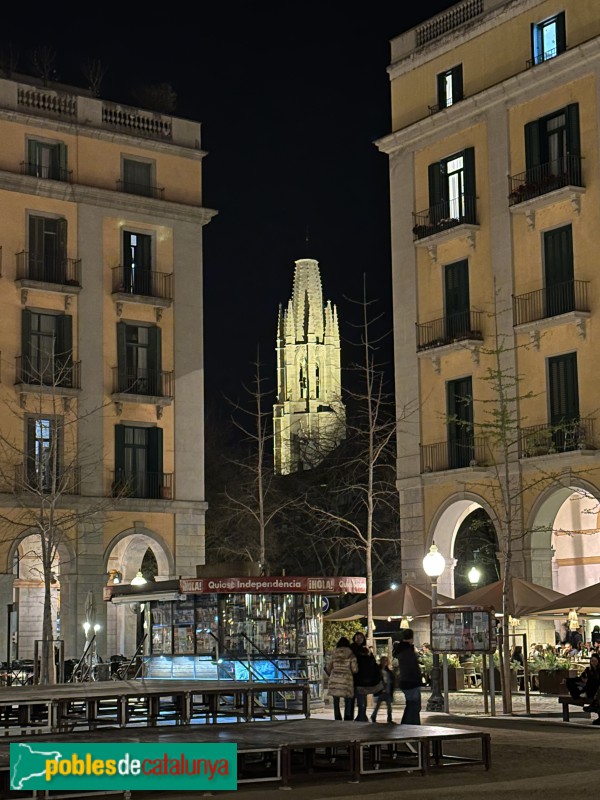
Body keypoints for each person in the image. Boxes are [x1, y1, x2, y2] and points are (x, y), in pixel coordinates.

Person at [324, 637, 358, 721]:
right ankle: (347, 716)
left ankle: (337, 717)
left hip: (335, 679)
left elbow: (328, 668)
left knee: (336, 700)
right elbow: (354, 669)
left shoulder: (333, 654)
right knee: (347, 700)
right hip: (346, 680)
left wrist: (332, 674)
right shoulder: (351, 654)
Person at [393, 628, 422, 725]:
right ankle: (408, 727)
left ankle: (414, 726)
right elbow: (412, 666)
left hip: (406, 680)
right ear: (411, 638)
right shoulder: (407, 650)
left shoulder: (403, 649)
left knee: (412, 706)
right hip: (411, 681)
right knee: (413, 706)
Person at [353, 645, 382, 721]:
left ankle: (361, 715)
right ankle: (362, 715)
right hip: (369, 683)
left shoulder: (358, 660)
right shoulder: (371, 660)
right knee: (363, 700)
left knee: (361, 700)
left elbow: (355, 671)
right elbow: (376, 670)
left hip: (360, 683)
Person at [370, 655, 395, 723]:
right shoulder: (378, 670)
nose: (385, 662)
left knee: (389, 706)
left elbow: (391, 680)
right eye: (384, 661)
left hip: (387, 690)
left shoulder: (388, 671)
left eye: (386, 661)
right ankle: (373, 716)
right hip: (380, 690)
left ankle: (389, 719)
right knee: (378, 706)